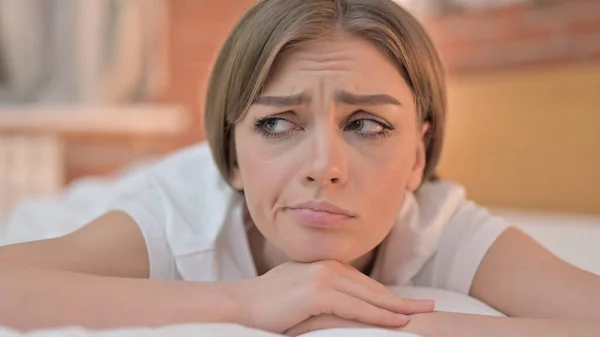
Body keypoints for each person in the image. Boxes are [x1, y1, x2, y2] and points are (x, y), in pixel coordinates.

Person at [1, 0, 599, 336]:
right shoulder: (179, 213)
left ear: (417, 156)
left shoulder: (441, 227)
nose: (323, 166)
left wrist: (383, 323)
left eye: (367, 125)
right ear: (233, 156)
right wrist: (242, 304)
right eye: (277, 124)